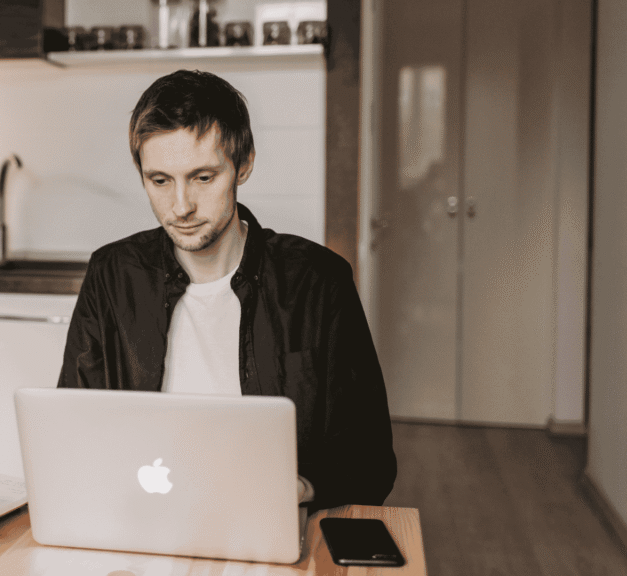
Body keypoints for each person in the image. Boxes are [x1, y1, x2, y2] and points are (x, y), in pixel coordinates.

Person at [57, 69, 396, 512]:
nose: (181, 207)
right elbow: (71, 433)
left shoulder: (318, 281)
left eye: (202, 178)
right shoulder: (111, 274)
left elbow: (371, 462)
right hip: (140, 517)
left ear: (245, 163)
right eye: (160, 181)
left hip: (268, 521)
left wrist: (297, 488)